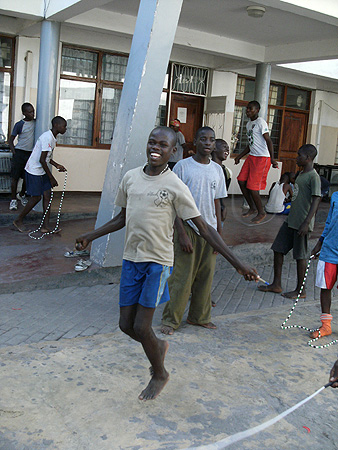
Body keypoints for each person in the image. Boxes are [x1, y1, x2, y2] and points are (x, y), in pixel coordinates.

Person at [75, 126, 258, 401]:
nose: (155, 148)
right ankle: (157, 346)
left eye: (162, 145)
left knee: (141, 326)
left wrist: (238, 263)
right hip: (132, 259)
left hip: (157, 262)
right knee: (126, 325)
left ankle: (159, 373)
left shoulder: (174, 184)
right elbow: (122, 218)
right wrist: (91, 235)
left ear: (173, 151)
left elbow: (204, 229)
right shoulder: (131, 178)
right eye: (152, 142)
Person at [161, 127, 228, 335]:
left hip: (210, 231)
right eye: (203, 139)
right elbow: (173, 202)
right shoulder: (182, 167)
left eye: (212, 140)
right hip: (188, 228)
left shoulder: (217, 170)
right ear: (195, 142)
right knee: (182, 277)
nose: (208, 143)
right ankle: (171, 320)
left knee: (205, 276)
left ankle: (199, 317)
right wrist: (180, 233)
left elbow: (217, 202)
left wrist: (219, 230)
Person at [258, 144, 321, 299]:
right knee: (278, 249)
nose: (297, 157)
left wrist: (307, 222)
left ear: (307, 158)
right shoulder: (300, 174)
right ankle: (276, 284)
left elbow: (316, 199)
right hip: (291, 221)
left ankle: (301, 290)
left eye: (299, 155)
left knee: (301, 256)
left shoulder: (314, 177)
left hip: (302, 223)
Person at [13, 116, 67, 233]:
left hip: (40, 170)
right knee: (36, 197)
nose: (65, 128)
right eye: (64, 126)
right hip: (34, 170)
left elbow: (46, 158)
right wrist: (51, 178)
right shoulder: (47, 138)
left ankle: (45, 226)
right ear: (56, 126)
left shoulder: (52, 138)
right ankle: (18, 220)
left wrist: (56, 165)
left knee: (47, 195)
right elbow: (42, 160)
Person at [235, 100, 278, 224]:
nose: (248, 111)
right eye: (247, 109)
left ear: (257, 110)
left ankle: (261, 212)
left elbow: (268, 141)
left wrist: (273, 159)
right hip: (252, 157)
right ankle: (252, 208)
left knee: (253, 188)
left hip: (262, 158)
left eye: (250, 109)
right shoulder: (249, 124)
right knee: (241, 181)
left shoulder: (261, 122)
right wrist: (239, 156)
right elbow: (251, 144)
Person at [309, 189, 338, 338]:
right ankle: (326, 326)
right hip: (330, 250)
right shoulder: (335, 196)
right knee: (325, 287)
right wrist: (319, 243)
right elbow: (329, 222)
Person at [8, 103, 35, 210]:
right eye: (29, 112)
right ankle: (13, 200)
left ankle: (22, 195)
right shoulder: (19, 124)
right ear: (24, 113)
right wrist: (14, 153)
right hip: (19, 153)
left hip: (30, 154)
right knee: (15, 177)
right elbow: (11, 140)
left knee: (27, 177)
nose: (32, 114)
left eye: (33, 111)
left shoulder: (36, 122)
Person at [211, 139, 231, 221]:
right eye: (224, 147)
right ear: (214, 148)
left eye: (228, 148)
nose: (227, 150)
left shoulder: (227, 171)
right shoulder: (207, 168)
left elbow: (221, 194)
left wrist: (223, 207)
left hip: (218, 210)